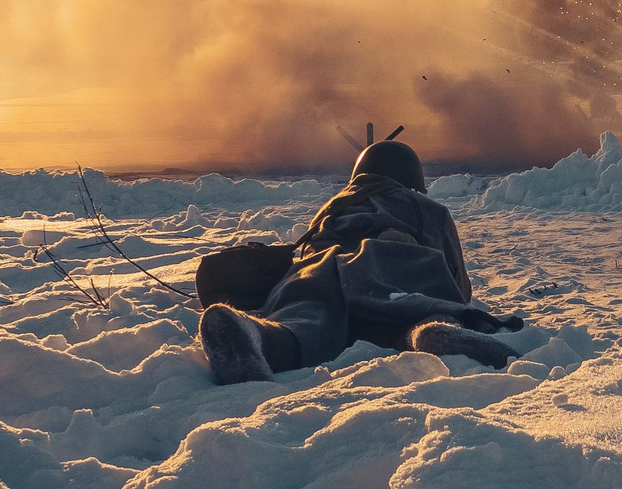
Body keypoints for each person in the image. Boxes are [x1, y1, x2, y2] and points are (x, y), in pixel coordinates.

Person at [200, 139, 521, 384]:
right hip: (392, 266)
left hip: (319, 275)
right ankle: (433, 331)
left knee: (300, 328)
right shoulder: (426, 208)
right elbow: (456, 283)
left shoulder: (334, 206)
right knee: (414, 310)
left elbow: (309, 250)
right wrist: (456, 306)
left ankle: (255, 335)